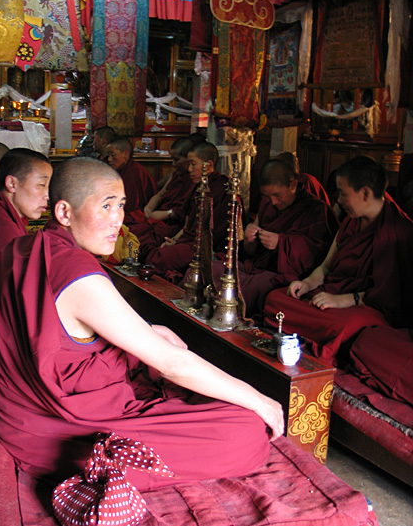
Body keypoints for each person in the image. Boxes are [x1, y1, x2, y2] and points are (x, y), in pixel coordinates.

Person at [0, 157, 284, 493]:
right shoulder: (74, 271)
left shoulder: (20, 248)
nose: (118, 219)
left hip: (22, 418)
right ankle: (107, 464)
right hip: (63, 433)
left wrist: (148, 330)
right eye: (106, 206)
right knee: (246, 429)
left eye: (121, 205)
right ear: (65, 212)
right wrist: (260, 400)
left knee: (173, 364)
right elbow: (172, 364)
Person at [263, 156, 413, 366]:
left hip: (367, 306)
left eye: (343, 194)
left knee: (343, 326)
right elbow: (325, 267)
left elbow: (390, 296)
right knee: (275, 298)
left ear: (365, 193)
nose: (339, 201)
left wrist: (342, 301)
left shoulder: (399, 231)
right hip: (332, 293)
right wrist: (306, 283)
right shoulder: (351, 222)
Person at [214, 159, 338, 319]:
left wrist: (282, 243)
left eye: (277, 195)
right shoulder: (267, 204)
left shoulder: (317, 210)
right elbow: (250, 251)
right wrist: (250, 239)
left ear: (293, 185)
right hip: (255, 266)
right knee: (213, 269)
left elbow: (319, 254)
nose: (272, 202)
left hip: (280, 274)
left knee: (250, 288)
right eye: (266, 196)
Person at [144, 141, 231, 278]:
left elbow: (216, 233)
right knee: (149, 243)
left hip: (207, 247)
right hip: (189, 240)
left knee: (158, 258)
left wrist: (179, 243)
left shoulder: (222, 188)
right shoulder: (198, 186)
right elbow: (187, 222)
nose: (189, 169)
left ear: (208, 166)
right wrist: (175, 240)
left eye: (193, 164)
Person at [0, 148, 52, 271]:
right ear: (12, 183)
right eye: (41, 185)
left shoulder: (4, 213)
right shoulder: (0, 228)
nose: (47, 196)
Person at [127, 137, 196, 252]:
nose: (173, 164)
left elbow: (183, 215)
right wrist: (149, 207)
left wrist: (166, 214)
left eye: (176, 160)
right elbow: (160, 194)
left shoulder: (194, 180)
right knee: (126, 225)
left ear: (188, 159)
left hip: (170, 224)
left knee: (139, 236)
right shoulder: (177, 174)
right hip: (157, 217)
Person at [107, 137, 157, 225]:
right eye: (109, 155)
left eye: (113, 155)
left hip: (136, 215)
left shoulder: (133, 172)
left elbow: (131, 207)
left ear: (125, 154)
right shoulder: (121, 169)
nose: (109, 159)